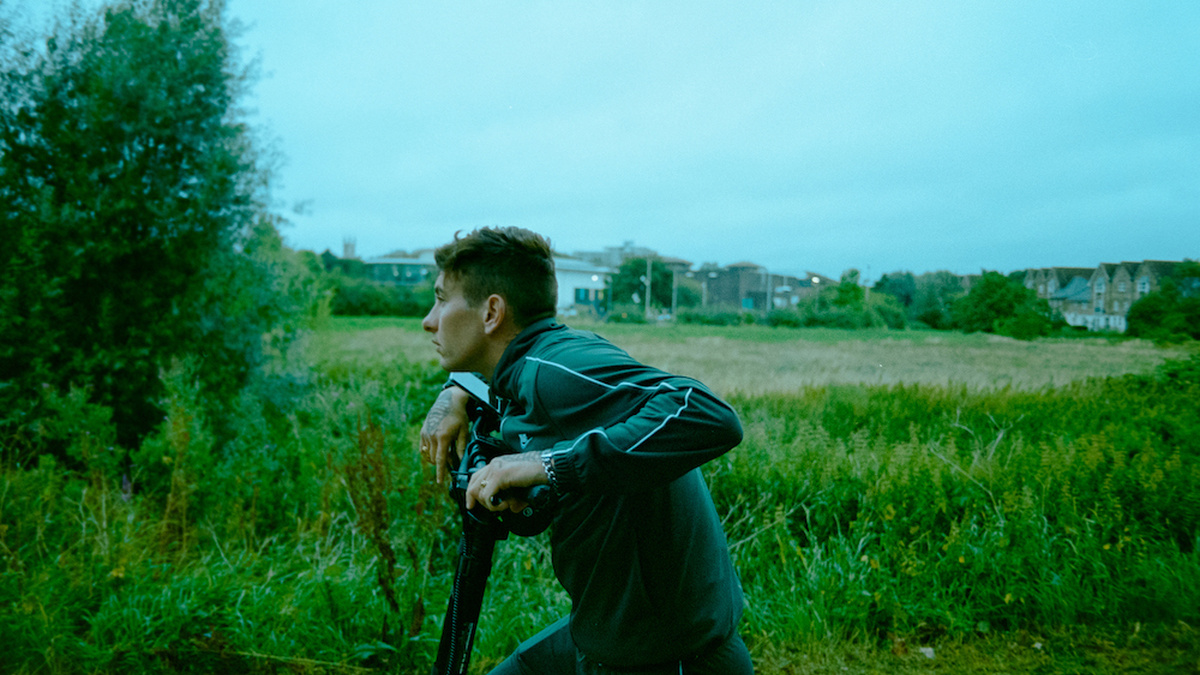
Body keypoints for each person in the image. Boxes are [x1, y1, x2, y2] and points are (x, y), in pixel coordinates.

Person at [418, 226, 753, 674]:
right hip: (608, 639)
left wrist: (547, 466)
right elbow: (523, 405)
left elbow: (708, 413)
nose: (429, 319)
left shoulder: (556, 368)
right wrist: (456, 391)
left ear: (492, 312)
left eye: (442, 299)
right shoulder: (529, 366)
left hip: (670, 660)